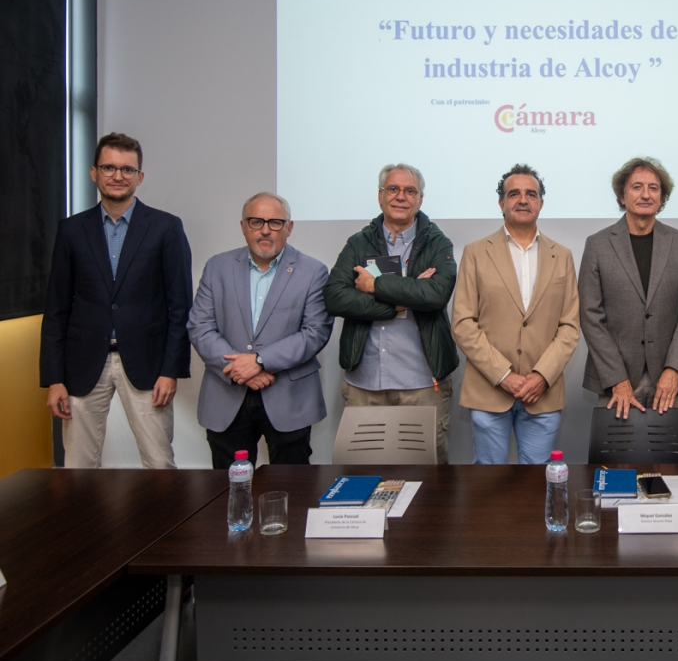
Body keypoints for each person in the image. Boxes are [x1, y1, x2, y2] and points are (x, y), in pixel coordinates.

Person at [40, 133, 192, 469]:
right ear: (94, 173)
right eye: (109, 167)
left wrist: (171, 371)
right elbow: (57, 309)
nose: (117, 176)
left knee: (159, 464)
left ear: (140, 177)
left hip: (147, 366)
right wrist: (54, 379)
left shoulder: (165, 228)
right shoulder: (71, 230)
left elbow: (180, 306)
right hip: (81, 366)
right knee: (78, 467)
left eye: (127, 169)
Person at [323, 163, 458, 464]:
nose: (401, 196)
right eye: (393, 189)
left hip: (422, 384)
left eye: (409, 190)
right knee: (362, 476)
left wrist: (374, 285)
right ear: (380, 196)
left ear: (420, 199)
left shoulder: (438, 243)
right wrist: (401, 301)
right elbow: (334, 297)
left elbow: (435, 295)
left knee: (429, 480)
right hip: (364, 383)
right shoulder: (358, 242)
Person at [187, 192, 334, 468]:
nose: (265, 230)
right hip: (226, 395)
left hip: (288, 398)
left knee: (292, 491)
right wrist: (240, 370)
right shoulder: (217, 267)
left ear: (289, 228)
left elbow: (315, 332)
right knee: (228, 492)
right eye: (256, 222)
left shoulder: (313, 271)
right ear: (243, 226)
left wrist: (258, 362)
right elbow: (200, 326)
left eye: (275, 222)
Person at [452, 164, 580, 464]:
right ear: (501, 203)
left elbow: (570, 326)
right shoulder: (475, 252)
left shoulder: (562, 255)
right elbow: (462, 323)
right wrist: (504, 375)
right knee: (489, 487)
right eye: (514, 194)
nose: (523, 200)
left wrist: (541, 376)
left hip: (542, 395)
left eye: (531, 194)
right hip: (488, 390)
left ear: (541, 203)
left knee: (536, 486)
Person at [579, 157, 678, 419]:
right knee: (617, 459)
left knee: (669, 459)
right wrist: (616, 378)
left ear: (662, 197)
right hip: (615, 382)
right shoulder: (597, 245)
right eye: (637, 187)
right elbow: (590, 316)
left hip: (669, 383)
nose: (646, 194)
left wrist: (673, 370)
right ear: (622, 196)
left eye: (654, 188)